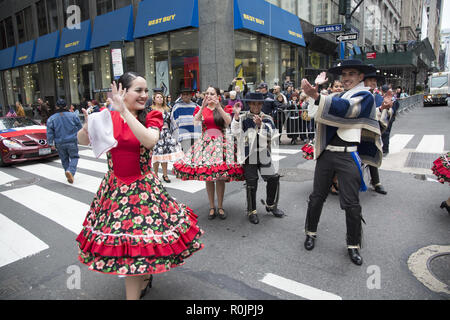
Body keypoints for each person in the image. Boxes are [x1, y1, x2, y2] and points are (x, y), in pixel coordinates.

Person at [75, 72, 204, 300]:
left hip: (141, 189)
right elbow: (83, 141)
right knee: (131, 245)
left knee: (137, 245)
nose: (145, 95)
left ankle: (137, 287)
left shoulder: (152, 115)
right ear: (122, 92)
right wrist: (87, 128)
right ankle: (143, 277)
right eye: (139, 90)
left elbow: (150, 140)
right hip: (114, 189)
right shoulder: (105, 116)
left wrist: (124, 112)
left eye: (146, 90)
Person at [300, 59, 383, 266]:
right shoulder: (336, 96)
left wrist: (317, 96)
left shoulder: (364, 96)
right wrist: (314, 96)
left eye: (351, 74)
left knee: (352, 204)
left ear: (361, 77)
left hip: (348, 156)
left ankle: (353, 245)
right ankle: (310, 233)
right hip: (327, 154)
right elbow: (312, 114)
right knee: (316, 197)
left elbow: (346, 110)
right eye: (344, 75)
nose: (346, 78)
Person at [173, 86, 244, 220]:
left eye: (212, 94)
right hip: (205, 144)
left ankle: (220, 206)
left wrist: (218, 107)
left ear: (218, 96)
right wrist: (202, 107)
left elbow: (228, 122)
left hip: (221, 143)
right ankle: (212, 206)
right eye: (207, 94)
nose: (209, 96)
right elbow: (195, 122)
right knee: (208, 177)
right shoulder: (201, 109)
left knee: (220, 177)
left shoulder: (223, 108)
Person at [231, 92, 285, 224]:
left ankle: (271, 205)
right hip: (249, 155)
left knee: (273, 178)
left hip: (263, 153)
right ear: (249, 104)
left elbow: (272, 135)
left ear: (262, 104)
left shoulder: (267, 118)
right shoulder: (243, 117)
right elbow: (235, 132)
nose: (256, 106)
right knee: (252, 183)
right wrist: (236, 116)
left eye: (259, 103)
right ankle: (252, 211)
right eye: (253, 103)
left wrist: (261, 125)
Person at [364, 72, 391, 195]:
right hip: (354, 131)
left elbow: (386, 111)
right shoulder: (356, 95)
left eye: (374, 80)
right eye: (370, 80)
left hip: (370, 132)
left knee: (371, 153)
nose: (373, 83)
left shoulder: (377, 97)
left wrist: (385, 108)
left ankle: (376, 182)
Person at [46, 99, 82, 184]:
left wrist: (50, 143)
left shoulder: (51, 119)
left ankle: (68, 173)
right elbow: (80, 127)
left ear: (56, 107)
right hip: (72, 140)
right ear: (66, 106)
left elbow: (50, 132)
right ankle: (70, 172)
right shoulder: (73, 116)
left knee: (64, 159)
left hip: (59, 142)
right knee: (74, 157)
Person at [151, 92, 184, 182]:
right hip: (156, 133)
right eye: (157, 97)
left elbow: (172, 122)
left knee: (165, 155)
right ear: (154, 99)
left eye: (161, 97)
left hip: (166, 133)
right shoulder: (151, 109)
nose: (160, 98)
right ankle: (156, 175)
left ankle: (165, 175)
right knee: (156, 155)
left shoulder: (167, 109)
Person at [170, 88, 200, 153]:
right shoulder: (177, 107)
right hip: (183, 136)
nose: (185, 96)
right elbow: (173, 121)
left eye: (187, 94)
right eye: (183, 94)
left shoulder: (196, 106)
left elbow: (200, 120)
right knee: (186, 155)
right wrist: (177, 134)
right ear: (181, 96)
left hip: (195, 135)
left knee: (196, 154)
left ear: (191, 95)